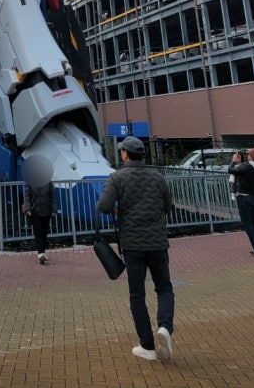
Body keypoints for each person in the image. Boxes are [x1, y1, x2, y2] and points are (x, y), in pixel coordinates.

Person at [96, 136, 174, 363]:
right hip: (158, 242)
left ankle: (147, 345)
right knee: (164, 288)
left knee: (137, 294)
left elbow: (103, 206)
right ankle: (165, 327)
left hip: (133, 244)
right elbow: (167, 206)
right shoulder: (157, 177)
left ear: (124, 154)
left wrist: (118, 209)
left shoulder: (117, 177)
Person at [228, 148, 254, 255]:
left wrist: (234, 161)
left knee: (248, 224)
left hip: (243, 198)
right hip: (253, 197)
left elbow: (231, 170)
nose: (247, 156)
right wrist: (239, 163)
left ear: (251, 156)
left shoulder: (246, 167)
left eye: (249, 154)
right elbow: (242, 170)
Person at [24, 177, 56, 264]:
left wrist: (53, 210)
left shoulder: (48, 182)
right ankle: (40, 252)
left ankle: (42, 252)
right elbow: (27, 196)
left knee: (45, 232)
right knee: (38, 232)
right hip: (35, 211)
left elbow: (52, 196)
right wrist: (28, 209)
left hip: (47, 210)